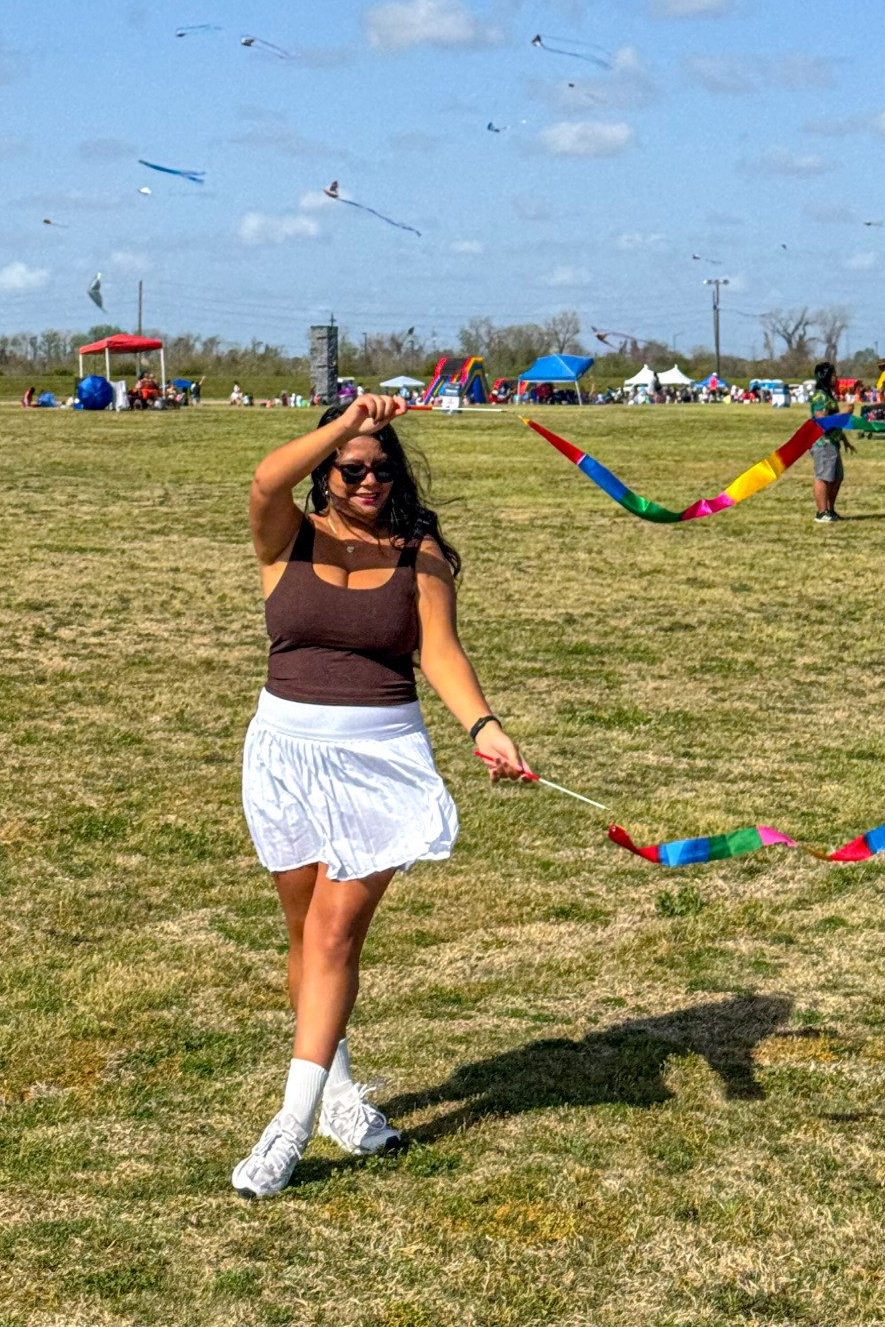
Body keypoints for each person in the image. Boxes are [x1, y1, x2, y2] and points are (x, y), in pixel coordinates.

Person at [233, 392, 526, 1200]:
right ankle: (336, 1096)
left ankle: (289, 1127)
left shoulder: (418, 553)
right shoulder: (286, 535)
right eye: (352, 469)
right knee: (304, 937)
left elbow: (442, 652)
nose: (369, 480)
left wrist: (484, 727)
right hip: (285, 755)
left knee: (333, 937)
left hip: (379, 758)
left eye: (382, 468)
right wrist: (348, 423)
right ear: (325, 472)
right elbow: (264, 480)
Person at [808, 360, 853, 524]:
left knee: (837, 477)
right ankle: (821, 512)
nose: (836, 378)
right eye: (833, 375)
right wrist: (845, 412)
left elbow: (834, 423)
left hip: (833, 442)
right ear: (825, 376)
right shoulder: (820, 396)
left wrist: (845, 440)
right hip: (823, 443)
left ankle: (830, 510)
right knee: (823, 477)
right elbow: (823, 421)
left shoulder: (828, 395)